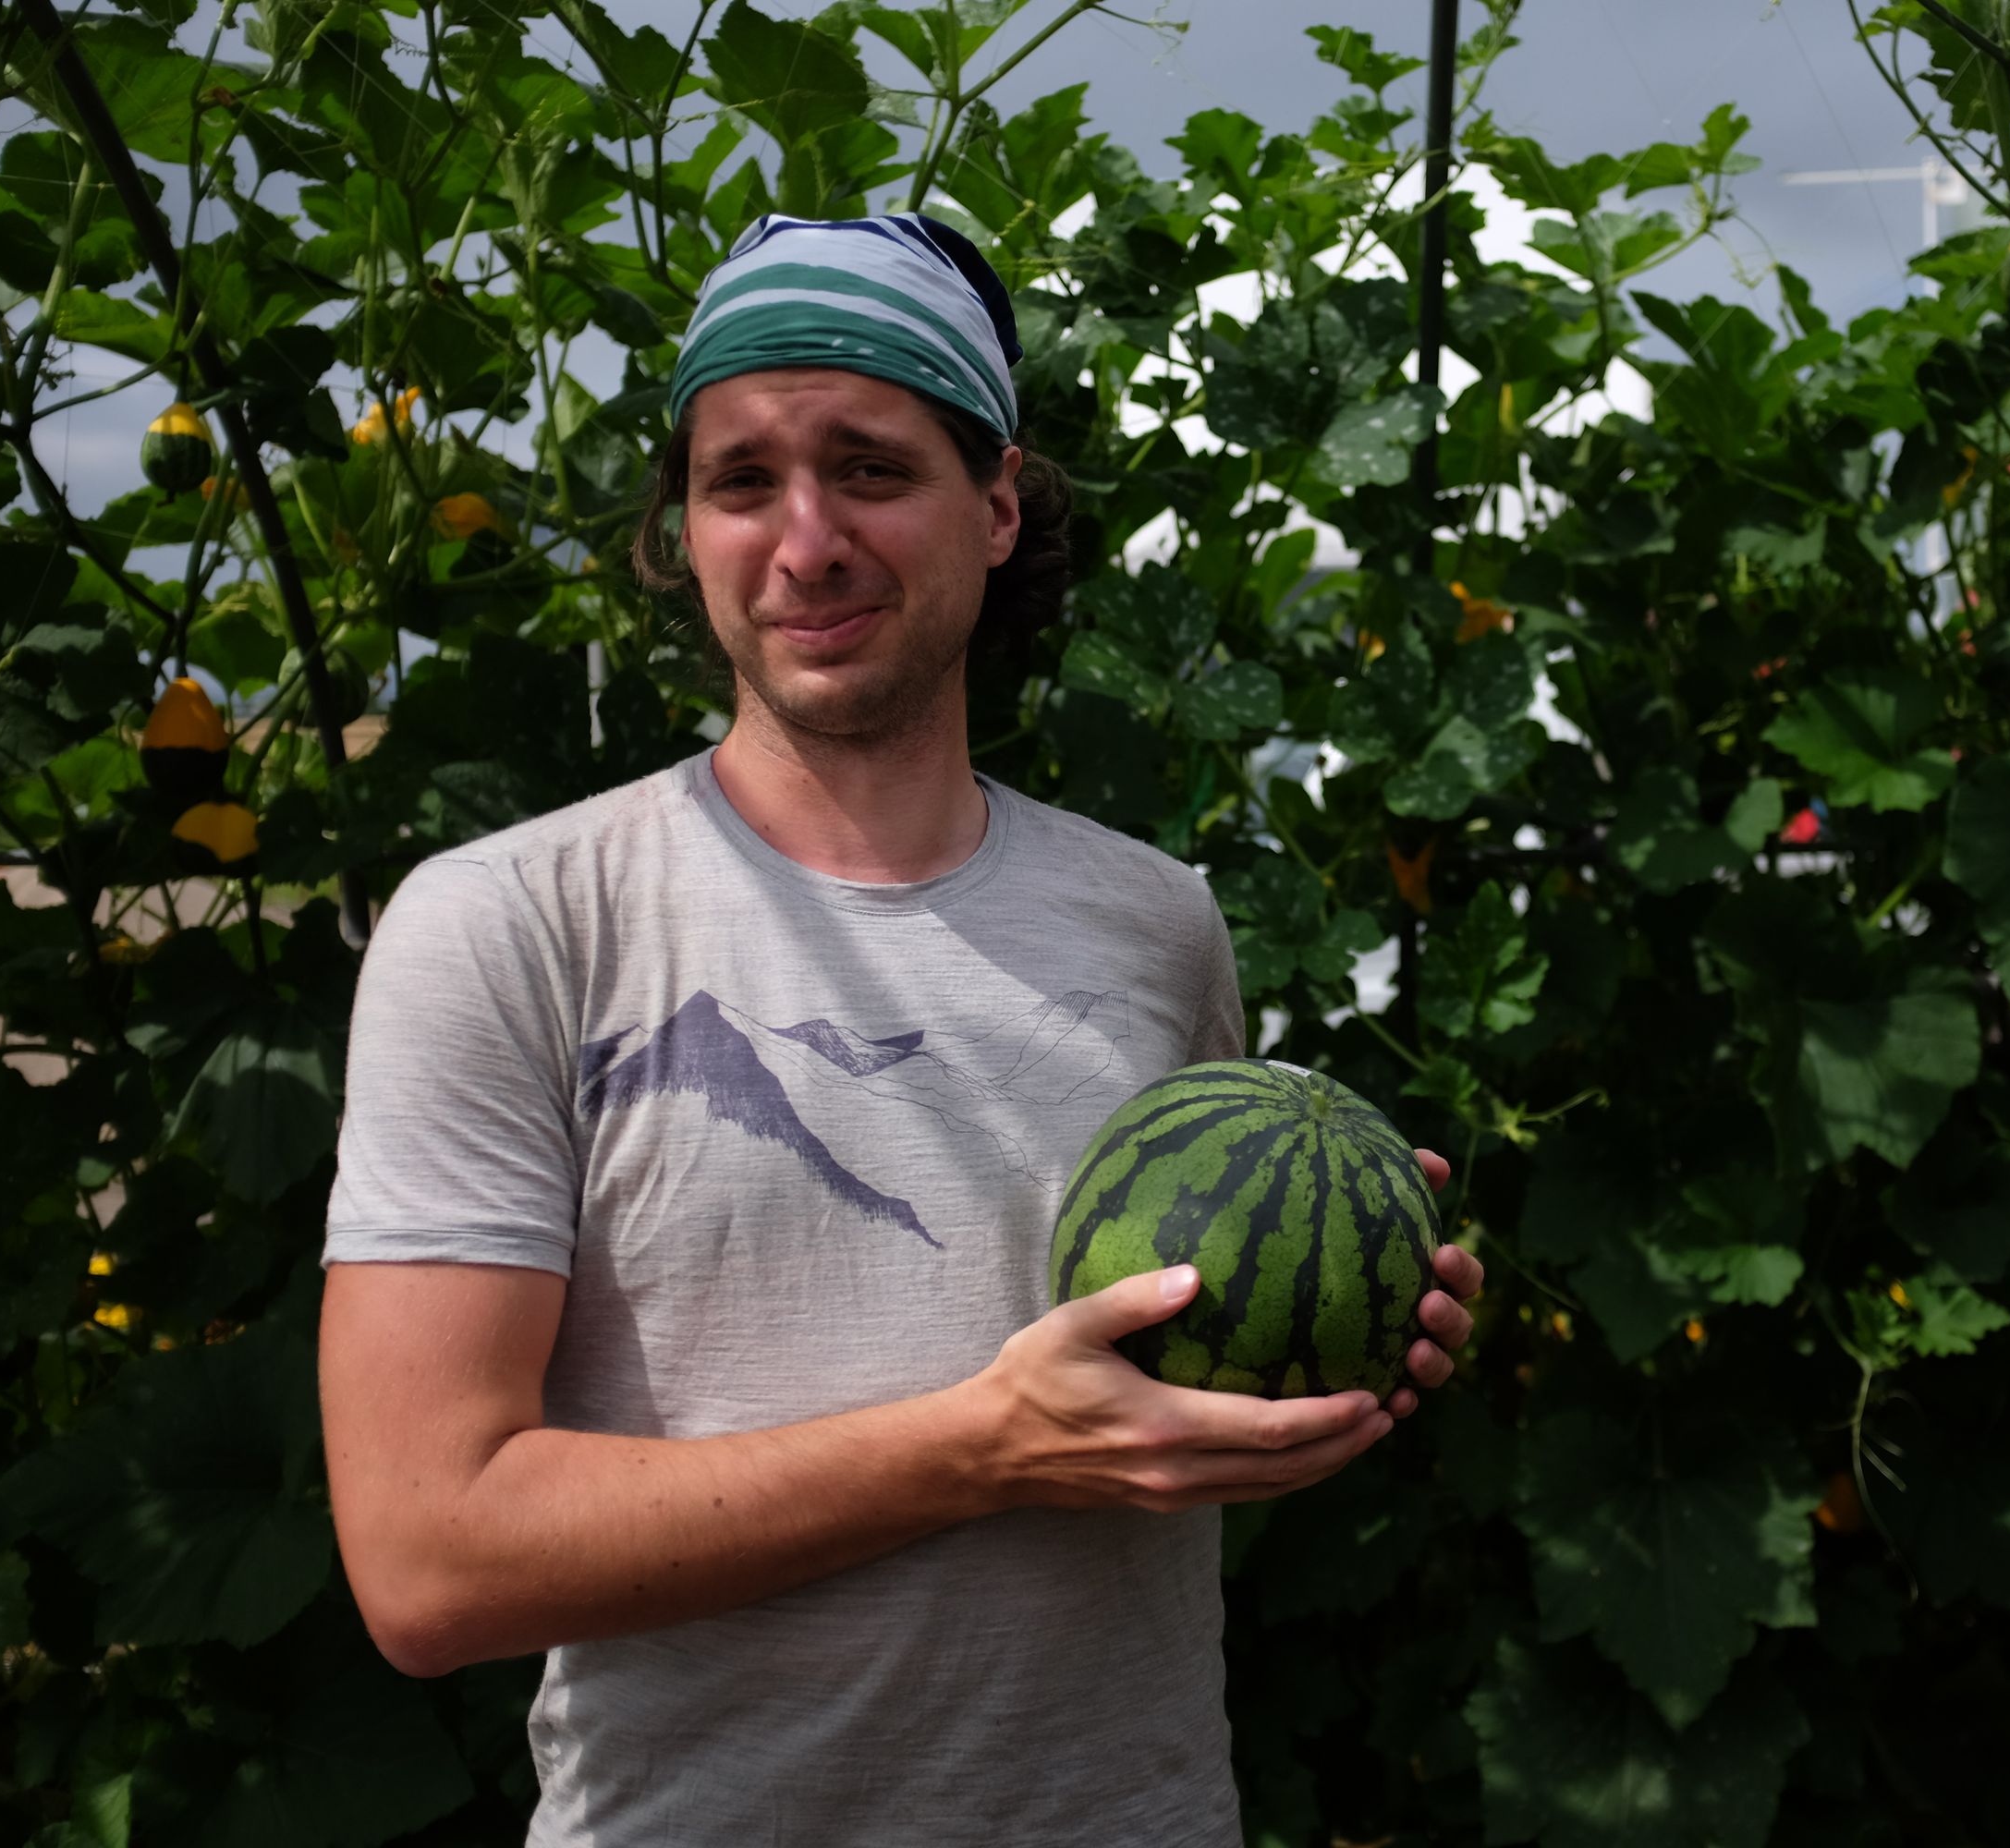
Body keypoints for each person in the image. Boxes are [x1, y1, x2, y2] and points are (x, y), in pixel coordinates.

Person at [316, 212, 1483, 1847]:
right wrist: (988, 1446)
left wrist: (1339, 1363)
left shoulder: (1156, 922)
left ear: (998, 504)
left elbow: (1153, 1404)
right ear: (687, 526)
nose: (805, 542)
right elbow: (431, 1562)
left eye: (870, 468)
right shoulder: (513, 924)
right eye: (741, 481)